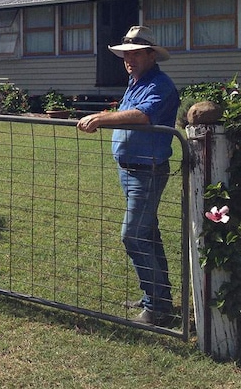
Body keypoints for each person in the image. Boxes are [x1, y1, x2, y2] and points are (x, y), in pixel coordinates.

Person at [76, 26, 180, 326]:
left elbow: (143, 115)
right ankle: (158, 298)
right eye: (125, 55)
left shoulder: (160, 85)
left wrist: (102, 117)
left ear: (151, 54)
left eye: (135, 54)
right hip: (132, 171)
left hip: (147, 172)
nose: (128, 60)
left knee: (133, 235)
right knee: (148, 234)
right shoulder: (136, 82)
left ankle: (157, 307)